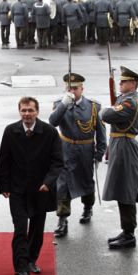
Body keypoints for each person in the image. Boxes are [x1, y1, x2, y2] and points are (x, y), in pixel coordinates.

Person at [0, 97, 63, 275]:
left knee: (36, 228)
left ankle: (31, 259)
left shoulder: (49, 132)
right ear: (19, 111)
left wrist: (48, 182)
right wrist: (3, 186)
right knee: (20, 228)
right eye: (24, 110)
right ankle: (21, 269)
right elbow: (3, 161)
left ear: (37, 112)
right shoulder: (11, 131)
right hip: (17, 189)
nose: (27, 114)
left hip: (40, 189)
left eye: (30, 110)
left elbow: (58, 161)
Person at [49, 73, 106, 237]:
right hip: (65, 149)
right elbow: (53, 122)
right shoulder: (60, 104)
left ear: (82, 88)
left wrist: (99, 155)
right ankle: (62, 219)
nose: (72, 91)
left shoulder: (93, 107)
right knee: (63, 185)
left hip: (85, 150)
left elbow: (101, 134)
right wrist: (63, 105)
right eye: (69, 88)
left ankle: (88, 208)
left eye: (75, 88)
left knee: (86, 181)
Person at [100, 67, 138, 249]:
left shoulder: (130, 102)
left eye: (124, 81)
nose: (120, 83)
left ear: (133, 83)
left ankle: (129, 234)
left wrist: (104, 111)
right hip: (120, 144)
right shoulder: (124, 99)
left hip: (125, 147)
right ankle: (126, 230)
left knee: (126, 190)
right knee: (121, 189)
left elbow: (107, 115)